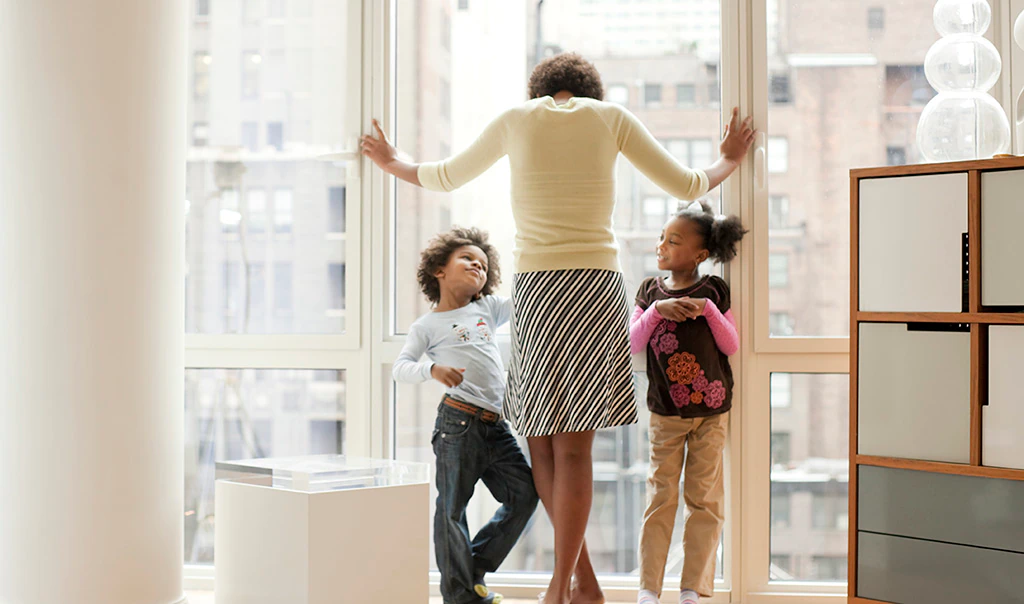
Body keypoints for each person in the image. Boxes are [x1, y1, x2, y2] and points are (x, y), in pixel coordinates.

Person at [364, 52, 755, 604]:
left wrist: (390, 160)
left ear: (540, 92)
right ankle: (577, 585)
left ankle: (567, 586)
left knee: (543, 445)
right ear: (589, 90)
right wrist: (731, 159)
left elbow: (441, 175)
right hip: (593, 286)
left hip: (537, 290)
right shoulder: (610, 116)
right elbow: (689, 182)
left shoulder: (516, 119)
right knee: (575, 450)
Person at [393, 227, 539, 604]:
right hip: (457, 424)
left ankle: (472, 565)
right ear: (439, 270)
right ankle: (459, 596)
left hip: (496, 426)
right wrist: (432, 371)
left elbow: (528, 296)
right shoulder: (427, 326)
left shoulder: (487, 309)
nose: (478, 265)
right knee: (451, 508)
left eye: (484, 264)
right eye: (467, 259)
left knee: (524, 495)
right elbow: (401, 367)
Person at [628, 200, 746, 604]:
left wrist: (709, 311)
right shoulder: (650, 291)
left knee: (705, 502)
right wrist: (657, 311)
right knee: (660, 497)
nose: (662, 245)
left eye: (673, 240)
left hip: (712, 413)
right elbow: (633, 343)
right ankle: (648, 589)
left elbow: (731, 344)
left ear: (699, 254)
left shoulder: (714, 290)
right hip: (665, 413)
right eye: (661, 237)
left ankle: (692, 589)